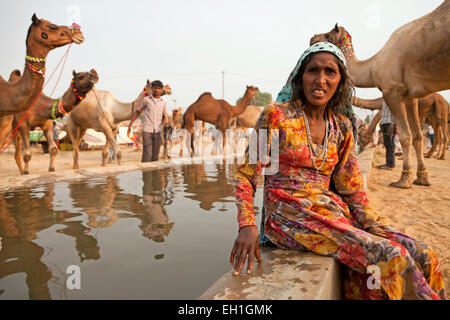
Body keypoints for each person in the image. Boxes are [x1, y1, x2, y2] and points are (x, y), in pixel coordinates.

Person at [230, 42, 446, 300]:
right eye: (313, 71)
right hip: (287, 217)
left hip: (330, 212)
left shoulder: (341, 126)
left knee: (422, 252)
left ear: (340, 81)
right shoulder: (277, 117)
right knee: (391, 257)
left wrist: (372, 223)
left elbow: (352, 190)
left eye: (330, 72)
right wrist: (247, 225)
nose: (320, 80)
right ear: (301, 76)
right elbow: (246, 174)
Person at [127, 80, 168, 162]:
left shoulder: (163, 103)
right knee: (147, 154)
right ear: (152, 89)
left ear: (161, 90)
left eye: (159, 88)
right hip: (147, 131)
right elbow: (137, 112)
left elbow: (164, 117)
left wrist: (164, 125)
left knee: (155, 156)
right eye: (155, 88)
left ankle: (154, 174)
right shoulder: (146, 100)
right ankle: (146, 174)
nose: (157, 90)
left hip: (158, 131)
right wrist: (130, 125)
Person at [377, 100, 396, 170]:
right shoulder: (385, 99)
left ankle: (390, 165)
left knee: (390, 145)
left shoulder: (391, 99)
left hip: (389, 123)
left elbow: (395, 112)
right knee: (387, 144)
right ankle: (388, 163)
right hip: (385, 123)